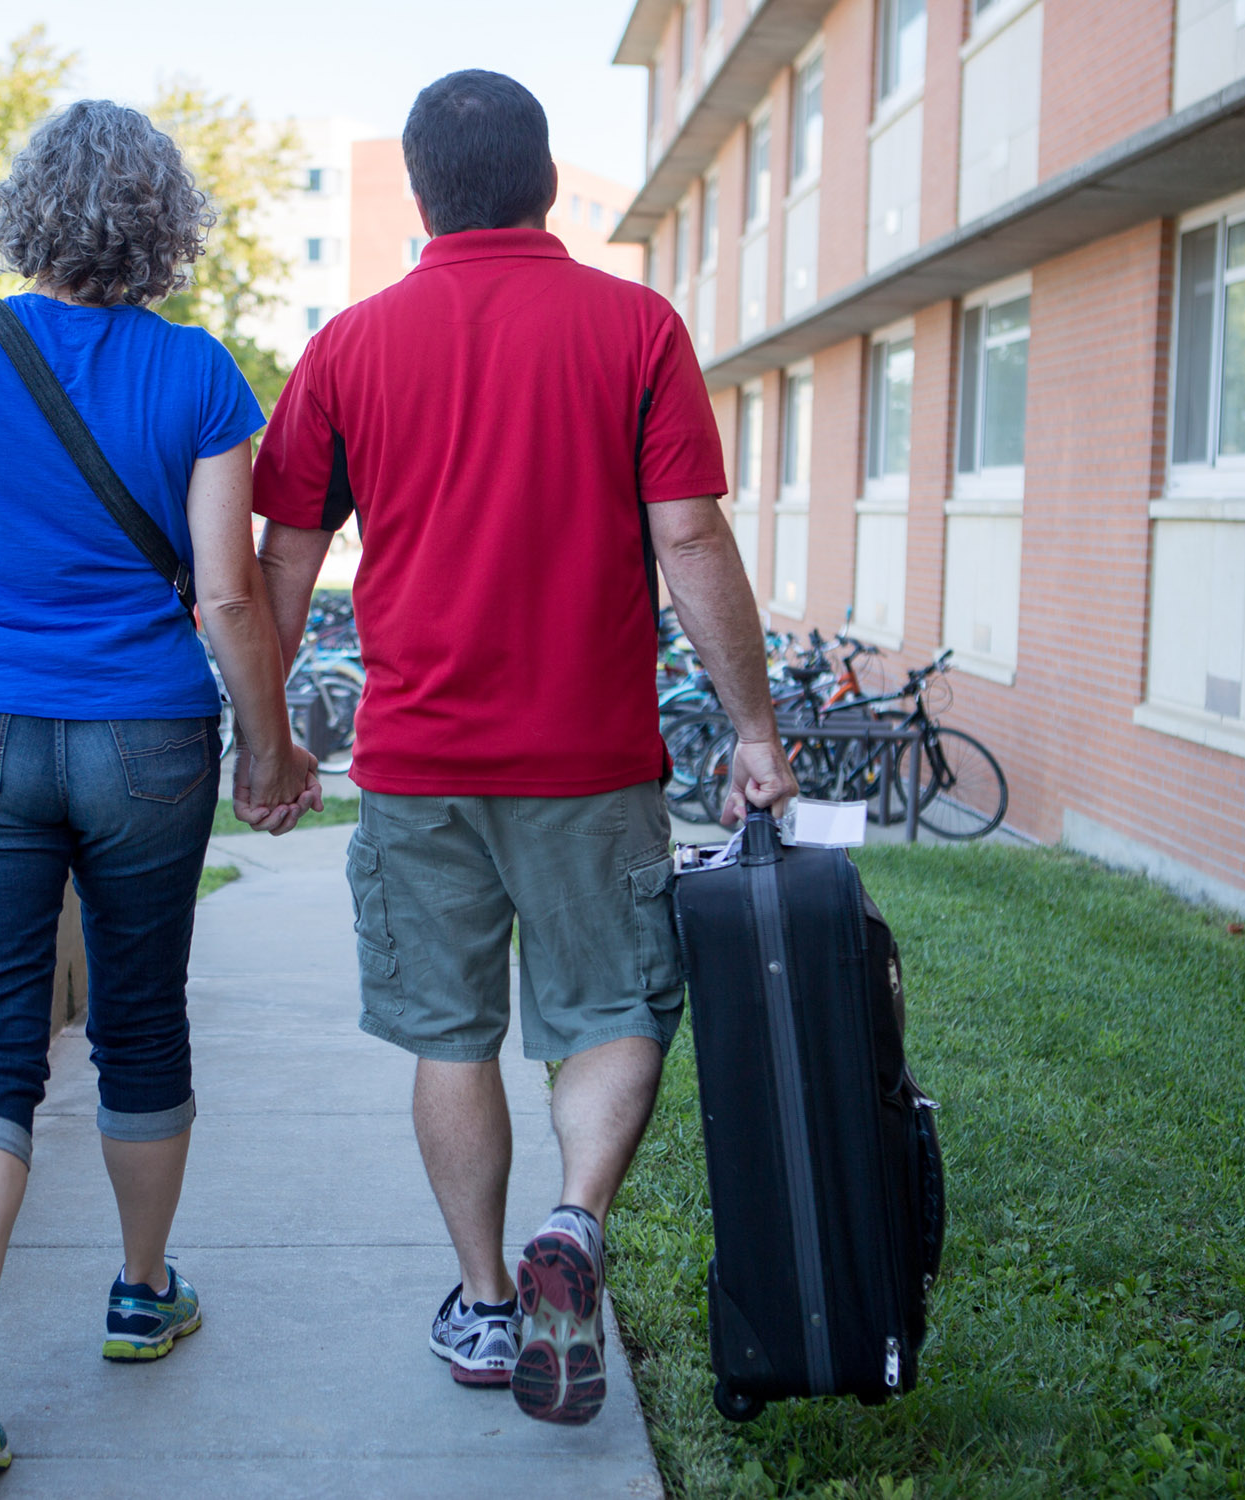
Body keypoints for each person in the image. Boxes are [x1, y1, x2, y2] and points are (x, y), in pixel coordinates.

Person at [253, 70, 797, 1426]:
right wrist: (753, 729)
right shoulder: (635, 326)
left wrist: (266, 736)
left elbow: (287, 558)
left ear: (424, 195)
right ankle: (574, 1220)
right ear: (547, 181)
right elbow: (687, 539)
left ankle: (489, 1305)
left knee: (451, 1034)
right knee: (610, 1010)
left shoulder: (348, 346)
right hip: (589, 760)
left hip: (419, 758)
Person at [0, 98, 321, 1473]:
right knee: (137, 1017)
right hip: (145, 739)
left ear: (24, 211)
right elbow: (227, 595)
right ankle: (139, 1293)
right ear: (166, 227)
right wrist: (272, 751)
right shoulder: (199, 372)